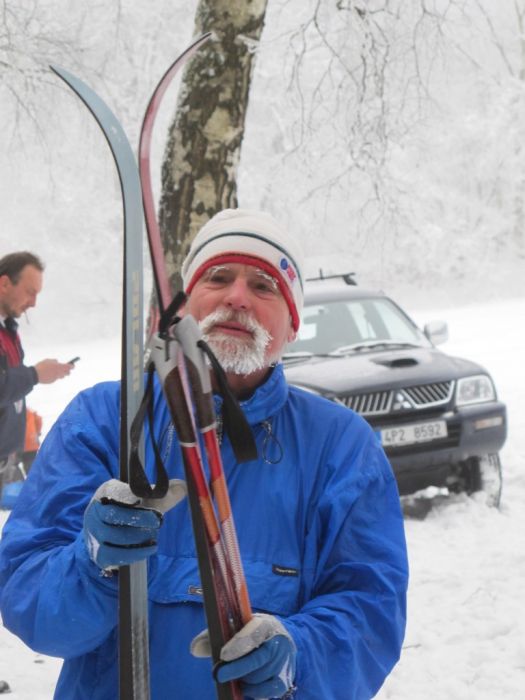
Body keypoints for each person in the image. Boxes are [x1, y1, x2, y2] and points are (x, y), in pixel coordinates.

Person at [0, 211, 408, 699]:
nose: (237, 297)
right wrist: (90, 565)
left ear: (293, 324)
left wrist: (299, 653)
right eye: (218, 278)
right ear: (187, 304)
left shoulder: (340, 446)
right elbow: (32, 604)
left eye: (264, 286)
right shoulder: (106, 419)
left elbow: (370, 609)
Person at [0, 252, 74, 494]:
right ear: (4, 283)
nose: (33, 303)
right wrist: (34, 375)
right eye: (30, 292)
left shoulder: (8, 329)